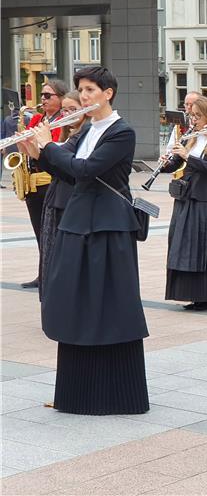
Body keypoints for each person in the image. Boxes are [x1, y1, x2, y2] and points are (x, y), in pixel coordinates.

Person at [20, 66, 149, 415]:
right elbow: (68, 174)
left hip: (107, 227)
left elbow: (86, 169)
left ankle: (117, 394)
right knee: (78, 304)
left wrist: (50, 145)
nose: (85, 95)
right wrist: (38, 153)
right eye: (81, 89)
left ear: (108, 93)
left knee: (109, 305)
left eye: (91, 89)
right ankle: (78, 393)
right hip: (79, 222)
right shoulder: (86, 129)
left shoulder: (121, 132)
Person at [163, 96, 207, 311]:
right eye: (192, 115)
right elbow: (176, 163)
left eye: (198, 116)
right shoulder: (189, 137)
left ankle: (206, 296)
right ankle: (191, 293)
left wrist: (187, 157)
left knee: (202, 249)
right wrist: (165, 163)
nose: (193, 120)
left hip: (205, 200)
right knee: (183, 247)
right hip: (186, 197)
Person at [37, 93, 87, 302]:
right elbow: (55, 167)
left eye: (73, 109)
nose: (67, 114)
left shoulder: (84, 136)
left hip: (70, 200)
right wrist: (34, 149)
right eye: (65, 110)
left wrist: (47, 146)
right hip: (56, 195)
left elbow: (72, 168)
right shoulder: (69, 135)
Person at [19, 80, 68, 289]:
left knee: (52, 231)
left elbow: (51, 148)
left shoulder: (62, 121)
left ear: (60, 98)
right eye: (42, 95)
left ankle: (53, 274)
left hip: (49, 180)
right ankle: (42, 272)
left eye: (48, 96)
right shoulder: (38, 118)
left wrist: (34, 142)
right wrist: (20, 139)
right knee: (40, 231)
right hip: (32, 182)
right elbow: (27, 146)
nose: (43, 99)